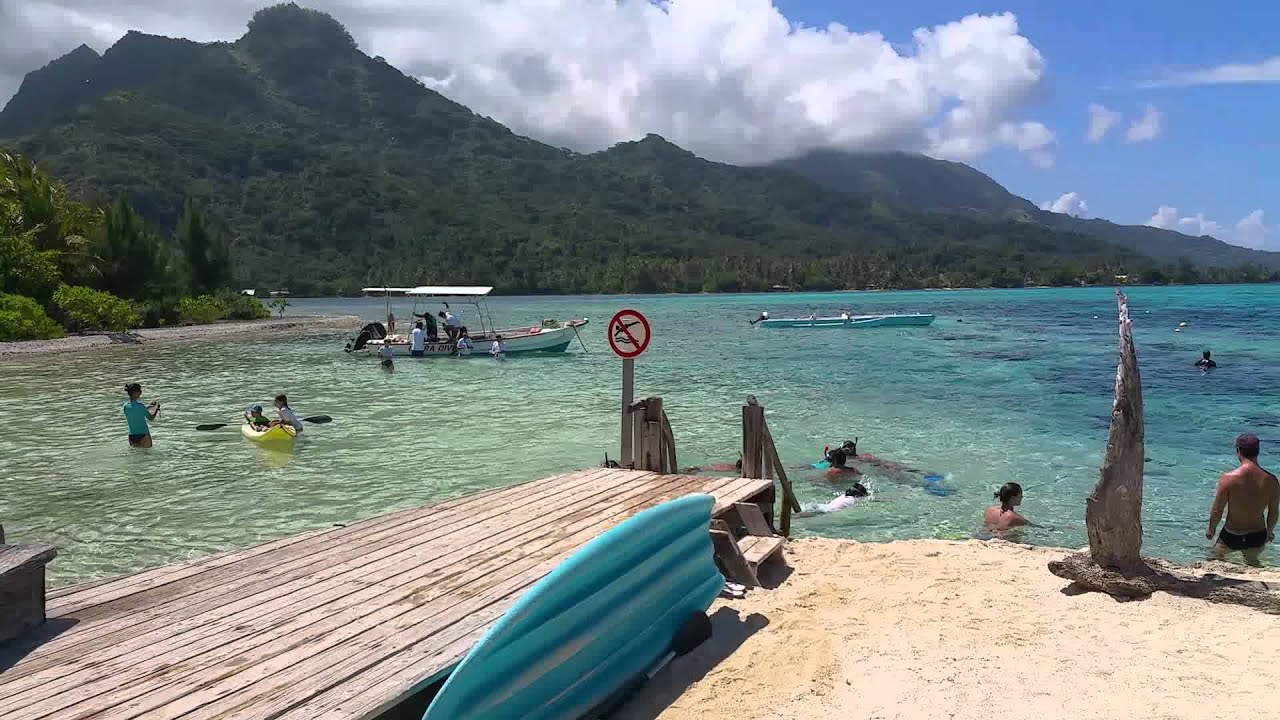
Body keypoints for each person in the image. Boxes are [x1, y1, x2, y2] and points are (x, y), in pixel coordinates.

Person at [1206, 433, 1279, 566]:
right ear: (1257, 452)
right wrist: (1269, 531)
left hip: (1232, 534)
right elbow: (1273, 512)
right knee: (1253, 563)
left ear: (1238, 451)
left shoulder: (1228, 479)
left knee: (1214, 561)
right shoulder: (1272, 480)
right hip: (1257, 535)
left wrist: (1211, 529)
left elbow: (1218, 509)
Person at [122, 383, 159, 448]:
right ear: (135, 392)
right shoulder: (141, 406)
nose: (141, 393)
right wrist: (156, 409)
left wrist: (148, 407)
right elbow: (151, 418)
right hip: (143, 434)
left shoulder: (125, 406)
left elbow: (135, 412)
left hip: (132, 435)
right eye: (140, 391)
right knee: (147, 455)